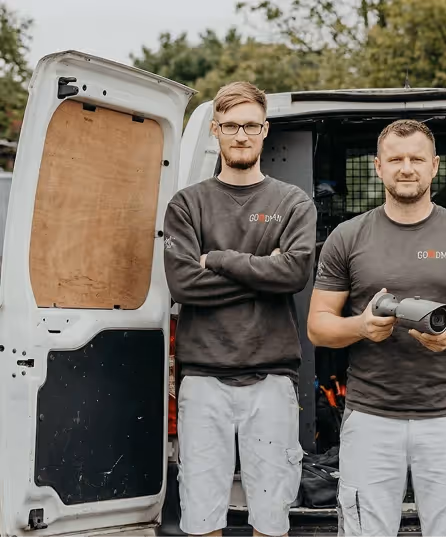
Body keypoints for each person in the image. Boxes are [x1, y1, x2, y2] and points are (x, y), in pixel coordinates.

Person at [307, 119, 446, 537]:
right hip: (369, 417)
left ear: (435, 166)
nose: (406, 168)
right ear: (377, 167)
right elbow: (318, 327)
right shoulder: (347, 238)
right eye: (395, 159)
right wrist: (362, 326)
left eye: (417, 159)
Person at [163, 81, 317, 537]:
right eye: (231, 126)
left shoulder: (291, 202)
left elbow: (293, 275)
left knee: (272, 517)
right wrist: (262, 274)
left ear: (265, 129)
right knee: (201, 514)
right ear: (216, 131)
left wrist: (222, 260)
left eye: (251, 125)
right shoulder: (187, 204)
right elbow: (183, 283)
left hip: (271, 379)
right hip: (203, 379)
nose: (242, 135)